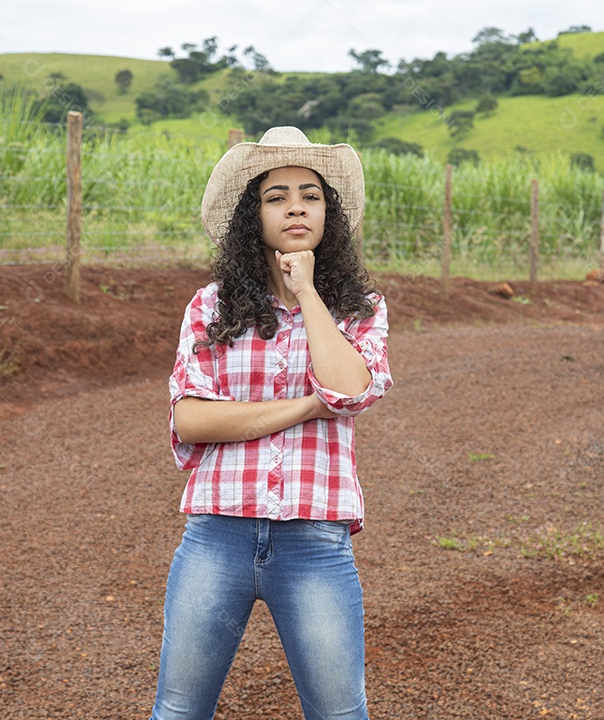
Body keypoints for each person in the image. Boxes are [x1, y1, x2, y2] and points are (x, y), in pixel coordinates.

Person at [149, 126, 393, 720]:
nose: (295, 207)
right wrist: (309, 406)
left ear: (327, 213)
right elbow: (191, 420)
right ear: (250, 215)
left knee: (340, 713)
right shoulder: (211, 306)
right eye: (276, 196)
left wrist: (308, 293)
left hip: (315, 540)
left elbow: (350, 387)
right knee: (179, 710)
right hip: (217, 534)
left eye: (310, 195)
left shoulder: (360, 308)